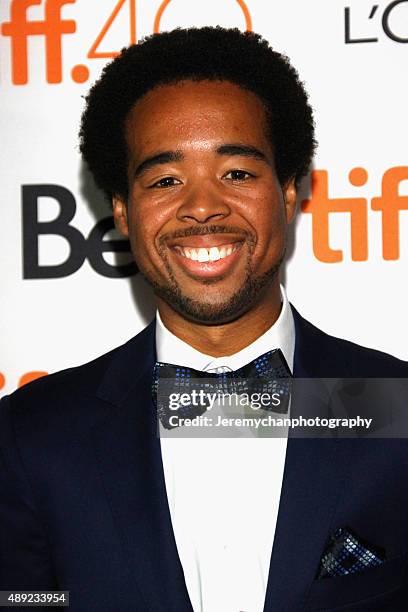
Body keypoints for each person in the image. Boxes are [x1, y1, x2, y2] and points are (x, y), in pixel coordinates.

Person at [1, 27, 408, 612]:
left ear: (289, 193)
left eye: (237, 173)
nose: (202, 206)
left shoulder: (391, 408)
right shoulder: (32, 438)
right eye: (166, 180)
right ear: (122, 210)